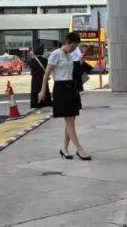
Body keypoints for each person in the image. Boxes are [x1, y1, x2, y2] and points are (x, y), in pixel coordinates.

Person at [39, 32, 91, 160]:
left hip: (71, 88)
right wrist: (43, 90)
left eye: (76, 47)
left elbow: (72, 72)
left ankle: (64, 148)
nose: (74, 49)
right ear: (67, 42)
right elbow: (46, 74)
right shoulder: (56, 54)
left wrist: (80, 62)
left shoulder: (69, 56)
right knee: (70, 121)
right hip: (61, 89)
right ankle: (79, 149)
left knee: (71, 121)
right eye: (73, 46)